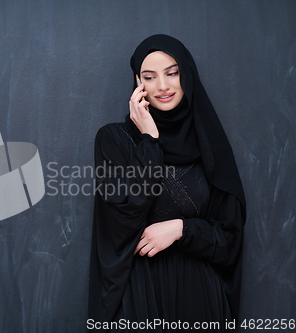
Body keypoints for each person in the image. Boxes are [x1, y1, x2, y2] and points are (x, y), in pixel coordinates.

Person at [88, 34, 246, 332]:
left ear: (186, 74)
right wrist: (149, 140)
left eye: (172, 73)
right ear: (138, 83)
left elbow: (230, 241)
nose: (162, 86)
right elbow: (122, 219)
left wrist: (181, 229)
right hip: (140, 295)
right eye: (150, 76)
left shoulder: (210, 146)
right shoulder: (113, 140)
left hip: (201, 298)